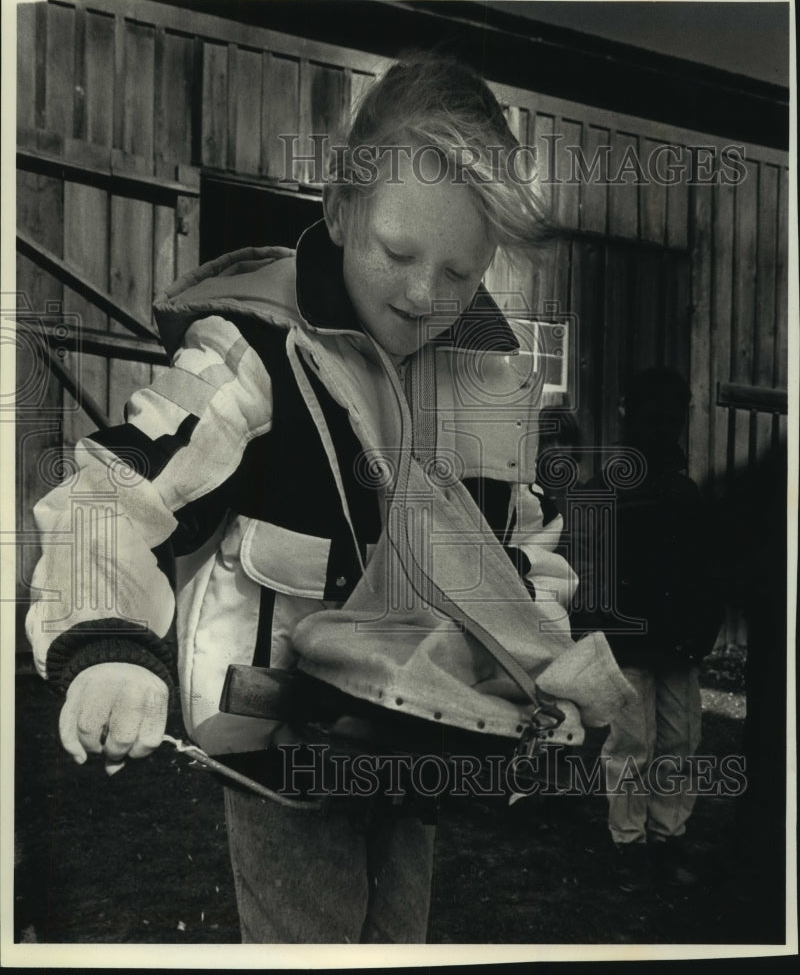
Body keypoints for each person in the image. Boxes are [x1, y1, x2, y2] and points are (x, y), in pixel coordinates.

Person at [25, 53, 634, 944]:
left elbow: (524, 554)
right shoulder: (252, 352)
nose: (427, 296)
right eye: (399, 253)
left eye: (462, 274)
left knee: (396, 938)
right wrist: (112, 647)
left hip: (424, 744)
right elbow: (115, 493)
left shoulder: (486, 386)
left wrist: (547, 679)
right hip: (281, 752)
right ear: (343, 209)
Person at [570, 367, 724, 890]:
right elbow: (586, 567)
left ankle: (668, 838)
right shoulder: (605, 491)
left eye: (670, 419)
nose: (661, 429)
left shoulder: (685, 494)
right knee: (632, 741)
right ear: (628, 418)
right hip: (626, 642)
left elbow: (708, 571)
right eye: (649, 417)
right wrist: (594, 629)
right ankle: (629, 846)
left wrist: (702, 630)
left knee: (680, 740)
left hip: (678, 643)